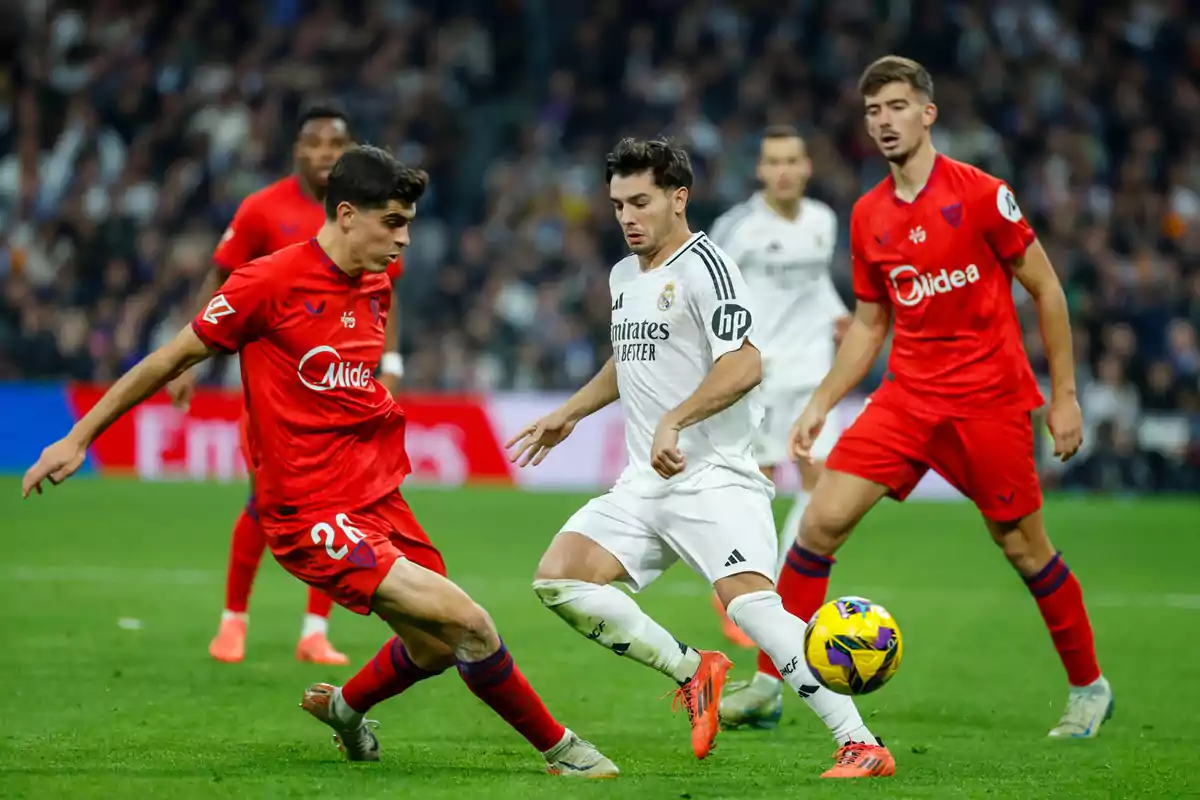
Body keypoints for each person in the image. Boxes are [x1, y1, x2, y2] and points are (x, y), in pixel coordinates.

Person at [22, 146, 618, 778]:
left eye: (409, 223)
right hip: (308, 512)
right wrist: (78, 437)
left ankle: (344, 708)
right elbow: (169, 358)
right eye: (392, 222)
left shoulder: (377, 286)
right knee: (471, 623)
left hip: (375, 496)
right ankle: (565, 753)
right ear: (345, 214)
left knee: (436, 647)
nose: (404, 240)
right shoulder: (266, 282)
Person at [728, 55, 1113, 739]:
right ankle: (768, 682)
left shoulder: (982, 194)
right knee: (817, 525)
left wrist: (1065, 396)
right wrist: (822, 401)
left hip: (989, 403)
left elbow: (1047, 289)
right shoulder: (868, 215)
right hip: (906, 401)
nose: (884, 122)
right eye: (873, 111)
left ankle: (1089, 686)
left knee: (1025, 548)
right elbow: (871, 321)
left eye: (897, 107)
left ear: (927, 113)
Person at [507, 137, 894, 778]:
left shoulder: (707, 265)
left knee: (751, 607)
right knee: (561, 577)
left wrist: (674, 419)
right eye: (617, 205)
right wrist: (569, 412)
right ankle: (694, 669)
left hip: (713, 477)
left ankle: (861, 743)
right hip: (645, 482)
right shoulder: (624, 275)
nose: (627, 217)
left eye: (640, 202)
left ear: (677, 198)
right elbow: (627, 361)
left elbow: (745, 363)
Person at [168, 99, 405, 666]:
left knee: (344, 506)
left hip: (340, 386)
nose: (324, 154)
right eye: (314, 145)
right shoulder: (261, 210)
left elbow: (387, 289)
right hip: (277, 388)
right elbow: (221, 278)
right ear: (297, 151)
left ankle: (314, 630)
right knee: (264, 500)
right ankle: (234, 620)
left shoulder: (374, 216)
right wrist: (190, 360)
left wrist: (389, 363)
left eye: (334, 145)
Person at [707, 126, 850, 662]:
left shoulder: (822, 221)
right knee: (759, 486)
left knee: (823, 481)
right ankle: (740, 587)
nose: (784, 170)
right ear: (761, 170)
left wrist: (840, 316)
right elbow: (710, 290)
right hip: (760, 374)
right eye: (774, 161)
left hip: (813, 373)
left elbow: (814, 285)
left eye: (793, 159)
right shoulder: (738, 227)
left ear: (807, 166)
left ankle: (782, 590)